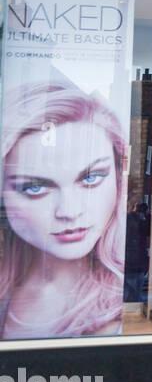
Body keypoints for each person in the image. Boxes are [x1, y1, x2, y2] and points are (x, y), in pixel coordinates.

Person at [0, 81, 127, 338]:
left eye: (91, 178)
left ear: (118, 177)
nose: (68, 211)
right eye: (35, 187)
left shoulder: (126, 307)